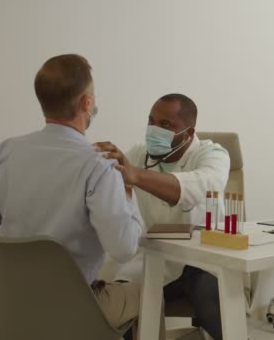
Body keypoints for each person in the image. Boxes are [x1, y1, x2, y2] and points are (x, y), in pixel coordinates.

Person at [0, 54, 155, 340]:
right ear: (87, 103)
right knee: (149, 292)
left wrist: (22, 205)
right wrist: (127, 192)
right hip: (74, 313)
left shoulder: (8, 151)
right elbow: (124, 248)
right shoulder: (99, 166)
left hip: (11, 307)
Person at [94, 93, 230, 340]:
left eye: (166, 125)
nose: (154, 129)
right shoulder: (138, 154)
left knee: (211, 297)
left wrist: (134, 175)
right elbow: (113, 192)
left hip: (205, 260)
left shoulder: (213, 155)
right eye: (151, 121)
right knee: (123, 301)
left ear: (189, 133)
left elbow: (202, 184)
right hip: (159, 258)